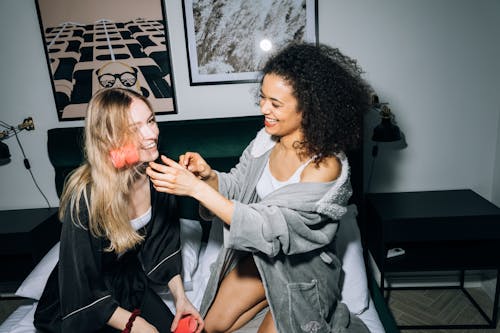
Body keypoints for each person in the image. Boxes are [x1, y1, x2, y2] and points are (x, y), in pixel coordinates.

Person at [146, 42, 371, 333]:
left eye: (276, 104)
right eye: (263, 98)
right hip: (263, 260)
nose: (264, 108)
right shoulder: (266, 140)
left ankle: (299, 309)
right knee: (210, 326)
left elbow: (270, 230)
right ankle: (267, 301)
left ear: (311, 108)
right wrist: (207, 177)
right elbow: (238, 187)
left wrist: (195, 190)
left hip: (303, 270)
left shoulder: (325, 167)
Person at [34, 88, 204, 333]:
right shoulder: (85, 196)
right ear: (109, 138)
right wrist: (133, 323)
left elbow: (163, 247)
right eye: (134, 128)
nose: (151, 134)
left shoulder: (159, 176)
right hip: (85, 298)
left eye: (151, 121)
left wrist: (181, 299)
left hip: (130, 282)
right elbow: (82, 285)